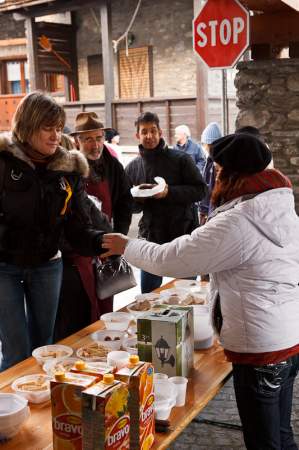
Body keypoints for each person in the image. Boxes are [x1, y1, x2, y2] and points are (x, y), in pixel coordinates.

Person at [102, 132, 299, 450]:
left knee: (264, 442)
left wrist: (127, 245)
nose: (215, 177)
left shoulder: (238, 221)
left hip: (260, 347)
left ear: (233, 174)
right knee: (281, 432)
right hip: (288, 338)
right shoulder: (279, 208)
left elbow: (174, 258)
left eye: (219, 171)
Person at [0, 92, 106, 371]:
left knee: (44, 347)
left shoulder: (68, 169)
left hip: (47, 264)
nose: (56, 135)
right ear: (27, 125)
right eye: (48, 128)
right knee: (16, 351)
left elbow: (77, 226)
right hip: (4, 267)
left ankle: (41, 404)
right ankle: (10, 410)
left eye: (59, 128)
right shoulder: (3, 161)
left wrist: (101, 241)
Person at [54, 112, 132, 340]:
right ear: (77, 140)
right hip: (78, 252)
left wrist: (119, 236)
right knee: (83, 307)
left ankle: (104, 345)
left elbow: (125, 202)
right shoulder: (68, 168)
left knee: (107, 302)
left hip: (106, 245)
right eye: (88, 139)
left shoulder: (113, 166)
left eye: (98, 138)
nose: (95, 144)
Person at [125, 111, 207, 293]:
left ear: (160, 133)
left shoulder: (181, 159)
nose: (149, 136)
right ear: (137, 135)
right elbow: (128, 205)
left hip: (183, 236)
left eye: (153, 131)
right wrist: (137, 200)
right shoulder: (133, 167)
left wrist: (169, 192)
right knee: (148, 298)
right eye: (144, 132)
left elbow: (201, 190)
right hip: (151, 239)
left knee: (185, 296)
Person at [199, 122, 222, 225]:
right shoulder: (209, 161)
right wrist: (203, 210)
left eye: (204, 144)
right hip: (210, 210)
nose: (204, 147)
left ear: (210, 144)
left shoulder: (217, 164)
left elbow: (212, 189)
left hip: (215, 212)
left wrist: (205, 212)